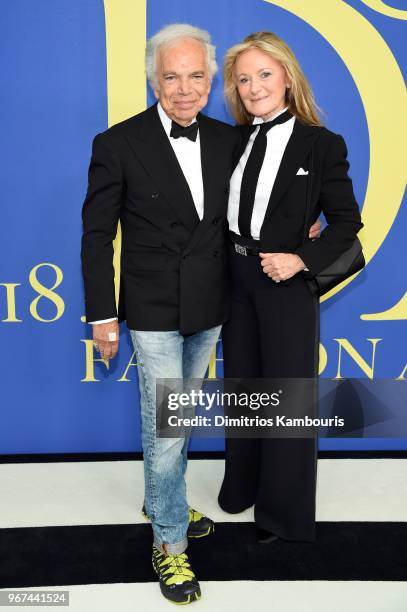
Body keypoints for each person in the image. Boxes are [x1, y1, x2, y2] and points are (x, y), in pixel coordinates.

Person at [80, 23, 241, 605]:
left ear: (210, 80)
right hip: (150, 308)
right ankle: (170, 545)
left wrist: (304, 232)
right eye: (171, 76)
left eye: (195, 76)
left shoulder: (229, 140)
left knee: (180, 418)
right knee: (167, 427)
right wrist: (102, 314)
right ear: (154, 78)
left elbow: (248, 218)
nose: (183, 88)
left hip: (211, 303)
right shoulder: (117, 143)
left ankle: (161, 497)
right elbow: (97, 237)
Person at [217, 31, 363, 544]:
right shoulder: (229, 139)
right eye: (243, 78)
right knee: (243, 392)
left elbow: (347, 224)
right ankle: (242, 487)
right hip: (232, 280)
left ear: (286, 77)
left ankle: (284, 516)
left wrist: (301, 258)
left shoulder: (322, 144)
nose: (254, 87)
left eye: (264, 74)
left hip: (284, 284)